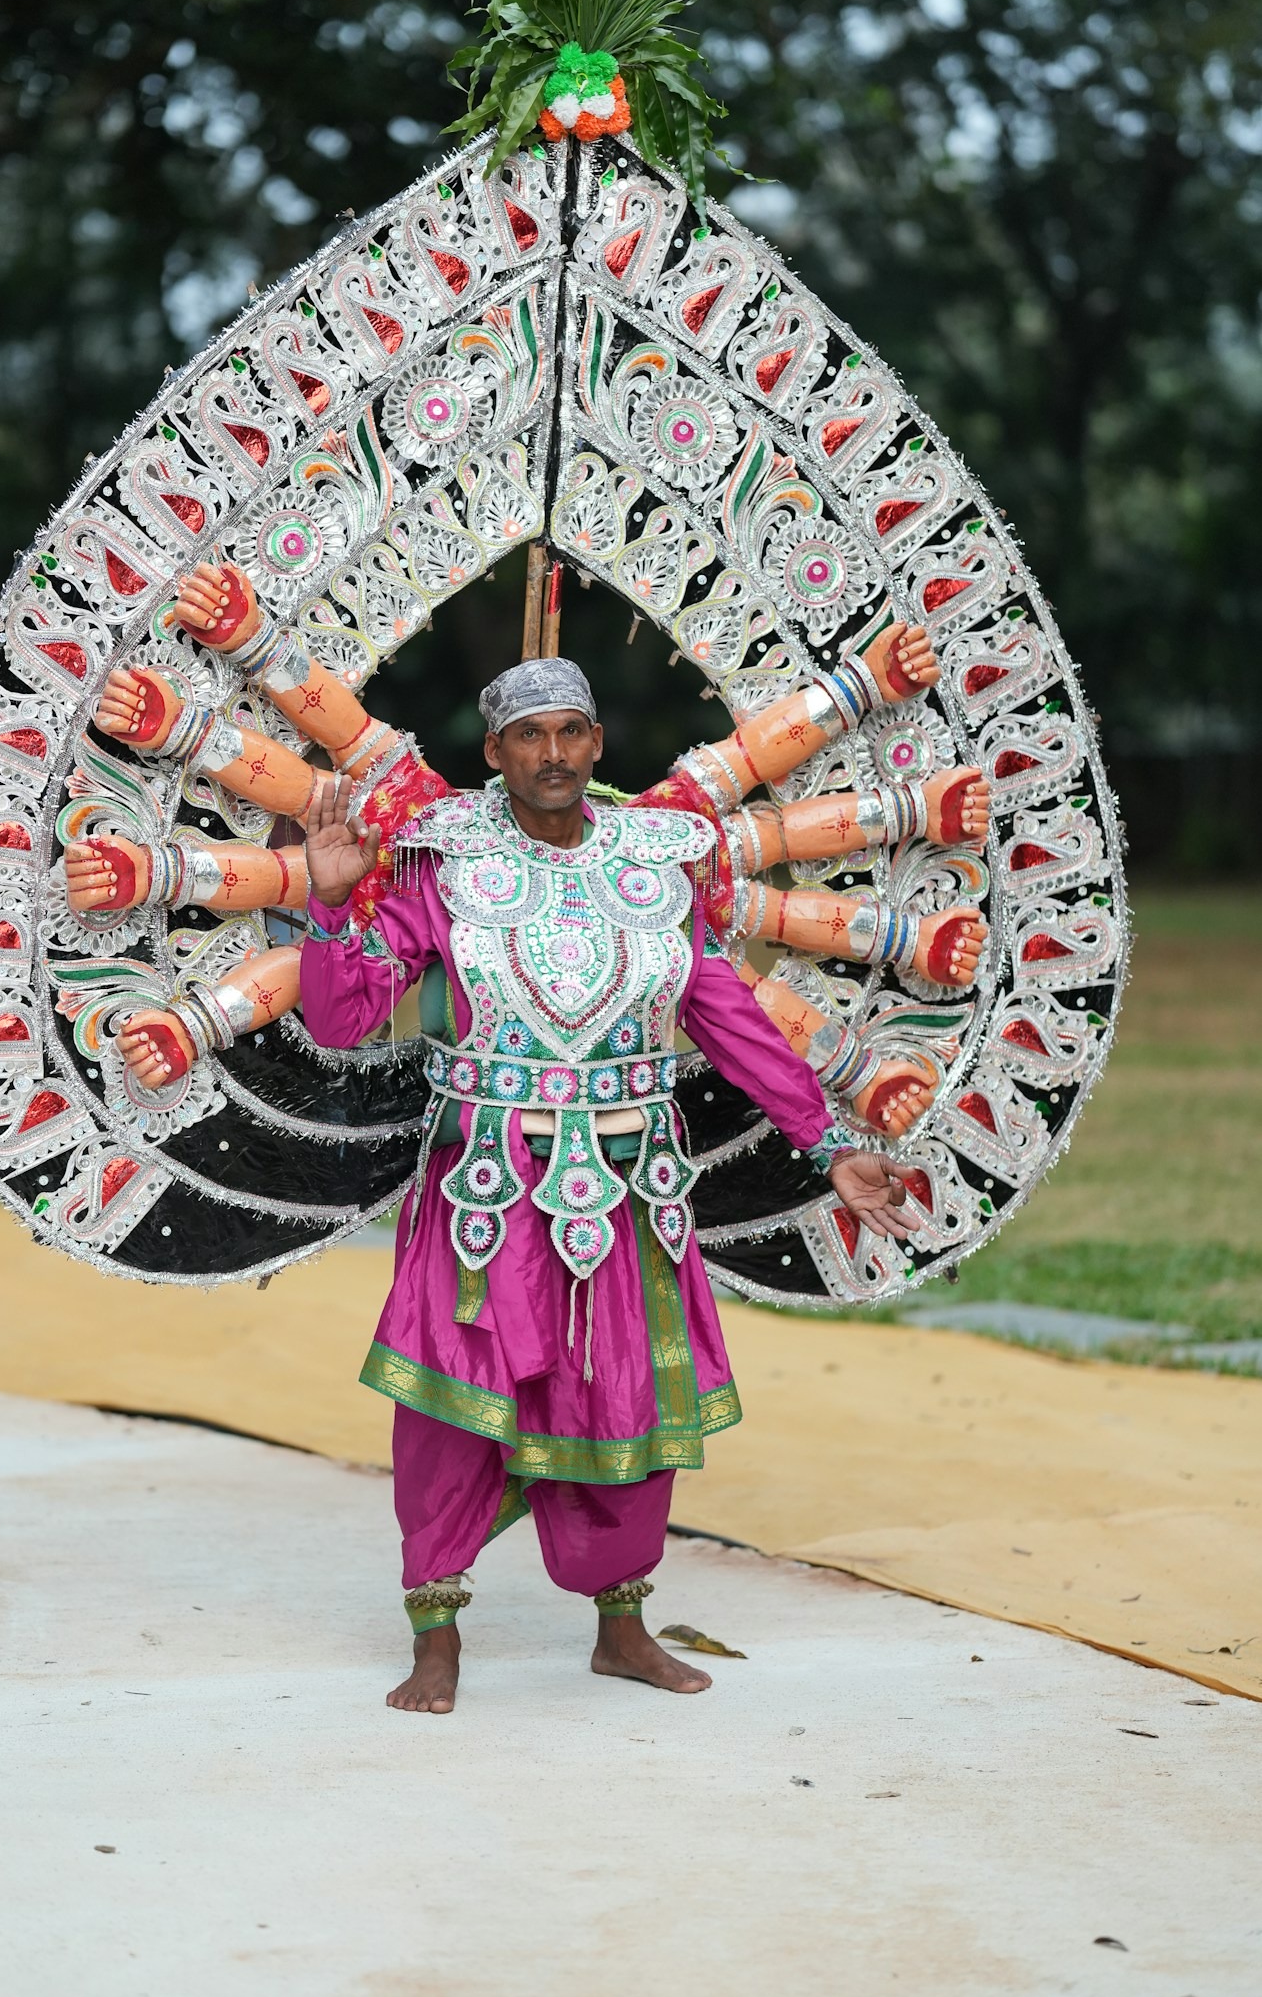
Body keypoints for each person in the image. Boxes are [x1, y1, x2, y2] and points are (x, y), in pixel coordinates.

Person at [298, 655, 918, 1713]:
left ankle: (622, 1630)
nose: (553, 755)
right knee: (454, 1407)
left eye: (571, 732)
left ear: (596, 742)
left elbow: (726, 1018)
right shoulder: (445, 865)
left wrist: (826, 1144)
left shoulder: (653, 864)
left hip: (628, 1183)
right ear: (494, 752)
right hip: (485, 1188)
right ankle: (437, 1634)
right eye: (528, 735)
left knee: (624, 1390)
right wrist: (326, 904)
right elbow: (342, 1018)